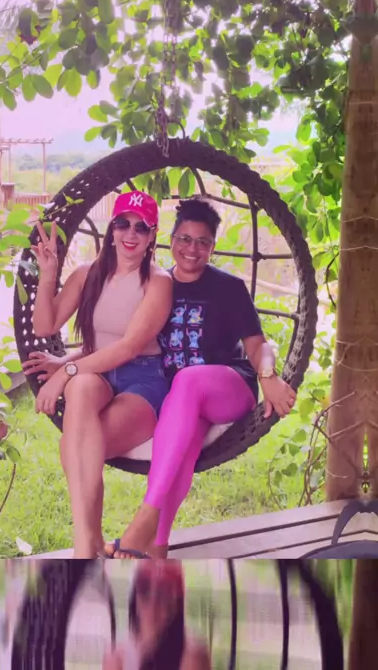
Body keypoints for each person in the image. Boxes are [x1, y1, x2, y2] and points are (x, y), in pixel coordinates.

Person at [105, 196, 297, 559]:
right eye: (184, 239)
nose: (192, 249)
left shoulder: (228, 287)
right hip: (181, 400)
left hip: (228, 387)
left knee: (189, 380)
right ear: (171, 240)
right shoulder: (157, 286)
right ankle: (157, 547)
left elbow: (257, 345)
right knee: (181, 444)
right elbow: (121, 340)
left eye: (202, 242)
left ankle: (144, 517)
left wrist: (268, 375)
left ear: (212, 246)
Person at [22, 191, 173, 559]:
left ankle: (85, 547)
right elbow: (44, 326)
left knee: (74, 447)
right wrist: (48, 275)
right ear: (112, 228)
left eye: (141, 227)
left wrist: (66, 370)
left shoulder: (158, 282)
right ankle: (87, 544)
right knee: (82, 389)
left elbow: (129, 348)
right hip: (97, 372)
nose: (130, 234)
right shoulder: (87, 274)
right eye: (123, 223)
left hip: (142, 379)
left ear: (152, 235)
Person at [103, 560, 211, 670]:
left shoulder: (193, 656)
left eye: (163, 594)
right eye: (145, 589)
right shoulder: (117, 658)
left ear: (176, 603)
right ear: (134, 596)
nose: (153, 605)